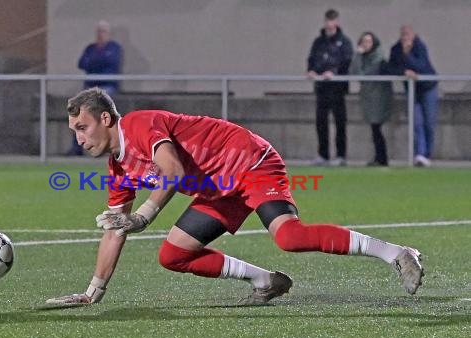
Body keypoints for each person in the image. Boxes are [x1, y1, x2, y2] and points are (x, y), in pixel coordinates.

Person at [45, 87, 425, 306]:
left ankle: (398, 253)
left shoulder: (140, 125)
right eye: (74, 130)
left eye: (83, 127)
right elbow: (115, 231)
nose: (79, 138)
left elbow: (173, 173)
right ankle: (266, 281)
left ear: (106, 120)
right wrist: (92, 290)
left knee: (289, 237)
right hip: (217, 186)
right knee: (173, 255)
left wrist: (143, 216)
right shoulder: (118, 168)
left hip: (248, 160)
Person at [67, 20, 123, 156]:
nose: (100, 34)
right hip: (89, 89)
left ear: (108, 34)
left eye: (103, 31)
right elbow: (82, 63)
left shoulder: (114, 48)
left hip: (106, 88)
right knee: (77, 113)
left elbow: (112, 62)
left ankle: (108, 148)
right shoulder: (91, 48)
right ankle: (77, 147)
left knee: (101, 115)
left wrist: (94, 61)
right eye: (98, 31)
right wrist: (98, 60)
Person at [307, 9, 353, 167]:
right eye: (327, 20)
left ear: (337, 22)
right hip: (322, 87)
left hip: (337, 88)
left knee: (340, 122)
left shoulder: (344, 41)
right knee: (321, 122)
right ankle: (323, 154)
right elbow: (312, 59)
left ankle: (341, 155)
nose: (329, 23)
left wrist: (333, 72)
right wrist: (312, 70)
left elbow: (346, 61)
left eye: (332, 20)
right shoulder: (319, 42)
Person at [388, 25, 438, 167]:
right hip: (412, 91)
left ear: (413, 35)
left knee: (429, 122)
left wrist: (407, 54)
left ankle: (427, 153)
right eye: (403, 34)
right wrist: (404, 72)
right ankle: (420, 154)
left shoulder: (420, 47)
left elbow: (421, 66)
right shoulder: (396, 49)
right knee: (417, 122)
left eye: (408, 34)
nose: (405, 37)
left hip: (428, 88)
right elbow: (391, 68)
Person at [350, 32, 394, 166]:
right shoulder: (363, 57)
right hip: (369, 98)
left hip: (379, 99)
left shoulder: (378, 59)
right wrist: (357, 56)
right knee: (375, 130)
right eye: (363, 41)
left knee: (377, 129)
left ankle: (382, 158)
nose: (366, 44)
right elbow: (354, 72)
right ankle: (379, 157)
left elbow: (364, 74)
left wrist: (358, 56)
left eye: (368, 41)